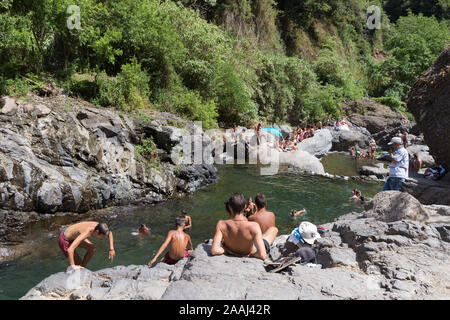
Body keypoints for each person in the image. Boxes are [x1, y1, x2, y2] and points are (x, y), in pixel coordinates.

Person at [211, 193, 275, 260]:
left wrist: (227, 250)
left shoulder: (221, 224)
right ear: (245, 207)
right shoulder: (254, 226)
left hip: (231, 250)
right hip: (248, 251)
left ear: (229, 207)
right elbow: (262, 255)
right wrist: (250, 255)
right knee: (273, 229)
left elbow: (214, 250)